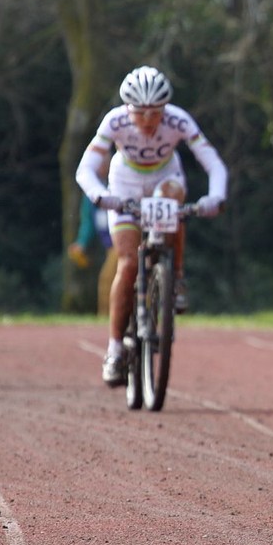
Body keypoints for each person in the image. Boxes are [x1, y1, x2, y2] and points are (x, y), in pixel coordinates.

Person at [75, 65, 228, 387]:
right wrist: (99, 194)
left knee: (172, 202)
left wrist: (215, 197)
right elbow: (86, 168)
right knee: (128, 263)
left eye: (154, 113)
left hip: (165, 178)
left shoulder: (178, 120)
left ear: (165, 109)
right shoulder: (114, 121)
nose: (147, 121)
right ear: (128, 109)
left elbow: (212, 161)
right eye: (140, 113)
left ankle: (176, 279)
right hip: (124, 184)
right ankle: (115, 349)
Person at [68, 153, 116, 316]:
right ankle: (108, 318)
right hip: (110, 247)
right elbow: (88, 221)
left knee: (108, 280)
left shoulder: (118, 183)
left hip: (122, 242)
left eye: (105, 161)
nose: (101, 166)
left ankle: (109, 319)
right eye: (98, 162)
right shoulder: (92, 191)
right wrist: (81, 242)